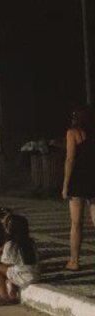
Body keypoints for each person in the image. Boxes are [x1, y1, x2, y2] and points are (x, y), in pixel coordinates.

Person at [63, 104, 95, 271]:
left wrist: (65, 185)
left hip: (78, 178)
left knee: (76, 223)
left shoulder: (72, 133)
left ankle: (74, 261)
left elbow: (70, 159)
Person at [0, 213, 40, 306]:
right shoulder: (31, 242)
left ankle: (4, 296)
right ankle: (12, 294)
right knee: (13, 269)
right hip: (34, 275)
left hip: (23, 277)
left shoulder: (11, 244)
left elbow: (5, 262)